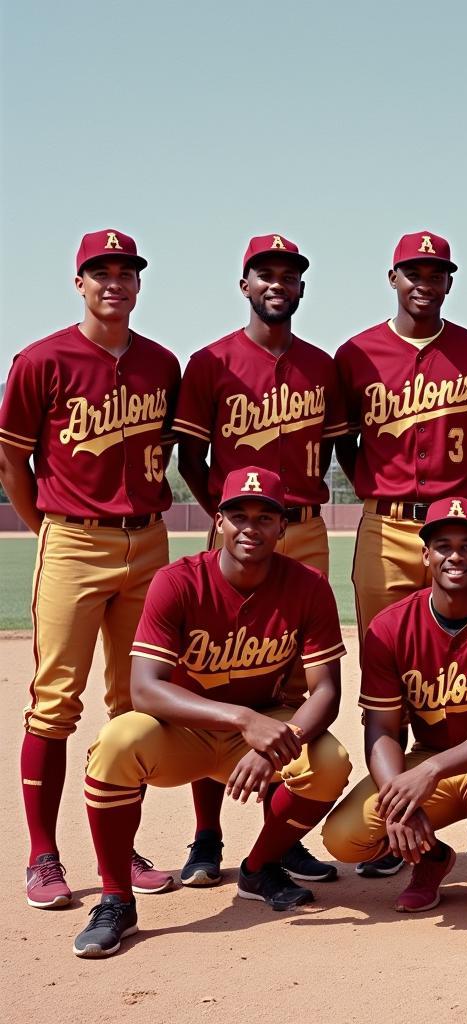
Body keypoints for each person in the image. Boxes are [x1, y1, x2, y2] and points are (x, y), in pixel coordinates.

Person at [71, 468, 351, 957]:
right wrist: (245, 721)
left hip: (263, 730)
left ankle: (259, 868)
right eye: (238, 515)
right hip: (185, 732)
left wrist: (278, 741)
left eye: (265, 517)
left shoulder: (308, 586)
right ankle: (116, 898)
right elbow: (145, 691)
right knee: (115, 744)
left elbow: (327, 691)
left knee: (331, 763)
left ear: (283, 526)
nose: (251, 527)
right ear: (218, 521)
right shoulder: (177, 581)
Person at [0, 229, 179, 908]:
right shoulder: (41, 359)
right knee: (54, 702)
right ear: (79, 283)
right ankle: (43, 855)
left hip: (149, 538)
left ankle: (117, 846)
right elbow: (12, 461)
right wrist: (46, 526)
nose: (114, 282)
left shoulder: (163, 364)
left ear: (139, 283)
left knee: (132, 703)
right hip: (73, 539)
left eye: (125, 271)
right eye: (99, 272)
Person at [334, 231, 467, 877]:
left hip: (454, 527)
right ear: (393, 278)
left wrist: (455, 500)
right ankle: (397, 815)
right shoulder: (355, 353)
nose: (424, 281)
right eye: (413, 271)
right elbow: (344, 446)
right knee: (387, 676)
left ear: (449, 281)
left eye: (436, 272)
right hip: (384, 526)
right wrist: (377, 491)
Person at [172, 233, 344, 888]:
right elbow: (190, 457)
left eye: (289, 274)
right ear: (244, 285)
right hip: (239, 534)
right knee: (217, 676)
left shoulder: (321, 366)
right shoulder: (209, 361)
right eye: (264, 273)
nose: (278, 283)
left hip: (303, 528)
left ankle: (283, 835)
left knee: (294, 686)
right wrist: (229, 522)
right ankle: (206, 836)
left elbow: (335, 452)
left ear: (301, 287)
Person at [321, 498, 467, 925]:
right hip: (430, 759)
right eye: (443, 545)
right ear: (425, 555)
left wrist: (431, 771)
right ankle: (432, 858)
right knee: (344, 838)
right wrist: (397, 800)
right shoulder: (389, 628)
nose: (455, 556)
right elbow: (382, 728)